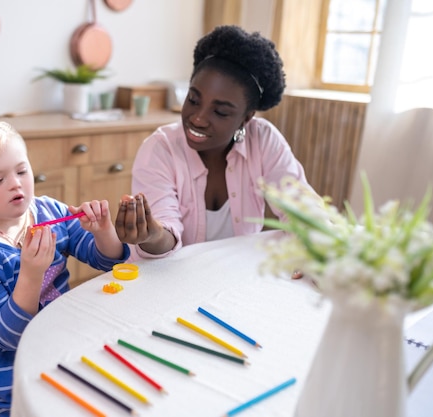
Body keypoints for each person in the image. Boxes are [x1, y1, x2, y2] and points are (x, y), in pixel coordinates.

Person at [0, 121, 129, 416]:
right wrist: (31, 276)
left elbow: (107, 260)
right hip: (13, 376)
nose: (15, 183)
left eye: (21, 171)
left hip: (63, 345)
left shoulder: (48, 212)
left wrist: (102, 231)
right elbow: (6, 337)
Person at [115, 25, 319, 260]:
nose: (198, 118)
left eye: (220, 112)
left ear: (246, 118)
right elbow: (165, 236)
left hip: (235, 281)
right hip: (171, 282)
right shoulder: (160, 149)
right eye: (193, 99)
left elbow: (302, 210)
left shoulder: (263, 140)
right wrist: (152, 234)